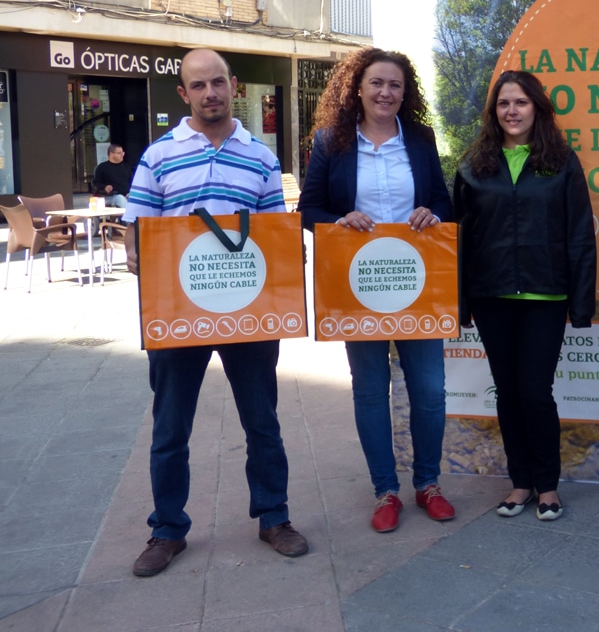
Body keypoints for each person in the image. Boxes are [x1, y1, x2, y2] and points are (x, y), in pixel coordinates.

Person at [123, 49, 308, 577]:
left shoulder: (262, 156)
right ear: (183, 94)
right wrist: (141, 257)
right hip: (180, 313)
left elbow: (275, 236)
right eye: (199, 85)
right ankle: (166, 530)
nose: (211, 93)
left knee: (263, 422)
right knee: (170, 427)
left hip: (248, 313)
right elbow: (136, 235)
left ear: (233, 86)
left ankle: (274, 517)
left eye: (219, 83)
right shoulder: (158, 156)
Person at [298, 48, 455, 533]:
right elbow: (309, 210)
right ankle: (385, 490)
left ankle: (427, 483)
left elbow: (443, 203)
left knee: (429, 391)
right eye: (377, 84)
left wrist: (433, 214)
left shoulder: (421, 140)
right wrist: (339, 220)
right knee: (370, 391)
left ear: (405, 95)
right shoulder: (332, 141)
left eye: (395, 86)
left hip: (417, 284)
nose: (386, 93)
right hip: (358, 286)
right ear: (357, 89)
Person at [453, 70, 596, 521]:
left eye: (521, 103)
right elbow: (458, 239)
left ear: (537, 108)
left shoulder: (563, 162)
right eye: (503, 104)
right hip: (492, 294)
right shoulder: (473, 166)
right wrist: (461, 303)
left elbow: (579, 236)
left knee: (535, 392)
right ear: (494, 113)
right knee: (507, 393)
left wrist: (582, 302)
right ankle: (520, 483)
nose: (512, 111)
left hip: (545, 295)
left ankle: (548, 485)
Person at [92, 143, 132, 208]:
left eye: (123, 153)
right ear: (111, 154)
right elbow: (95, 184)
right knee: (120, 198)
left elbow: (132, 182)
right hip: (109, 196)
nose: (122, 155)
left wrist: (130, 192)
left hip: (126, 195)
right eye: (119, 153)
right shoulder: (102, 167)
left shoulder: (126, 167)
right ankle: (128, 217)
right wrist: (105, 187)